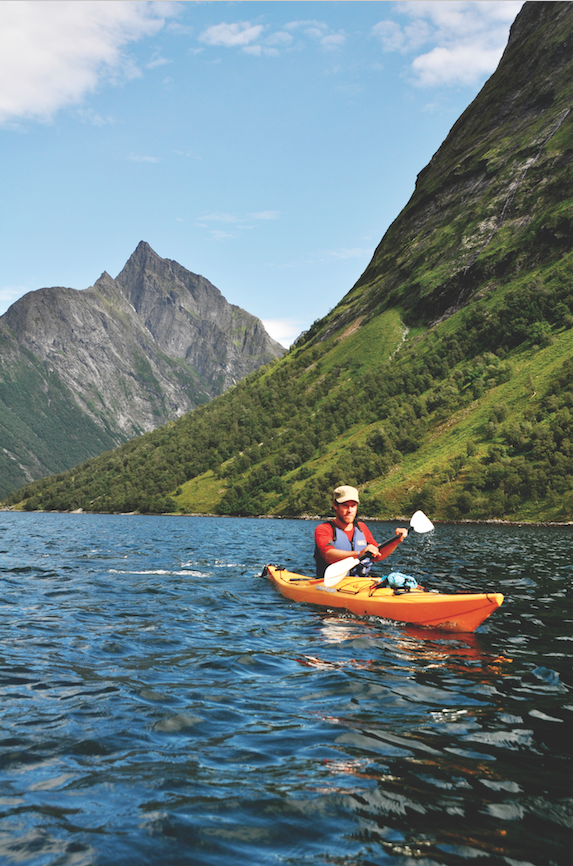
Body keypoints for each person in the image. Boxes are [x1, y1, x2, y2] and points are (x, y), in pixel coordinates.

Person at [314, 485, 408, 579]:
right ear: (335, 505)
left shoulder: (361, 527)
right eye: (345, 505)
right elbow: (328, 555)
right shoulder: (324, 529)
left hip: (359, 583)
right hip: (330, 584)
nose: (350, 510)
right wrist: (359, 554)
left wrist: (396, 541)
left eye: (353, 506)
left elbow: (377, 555)